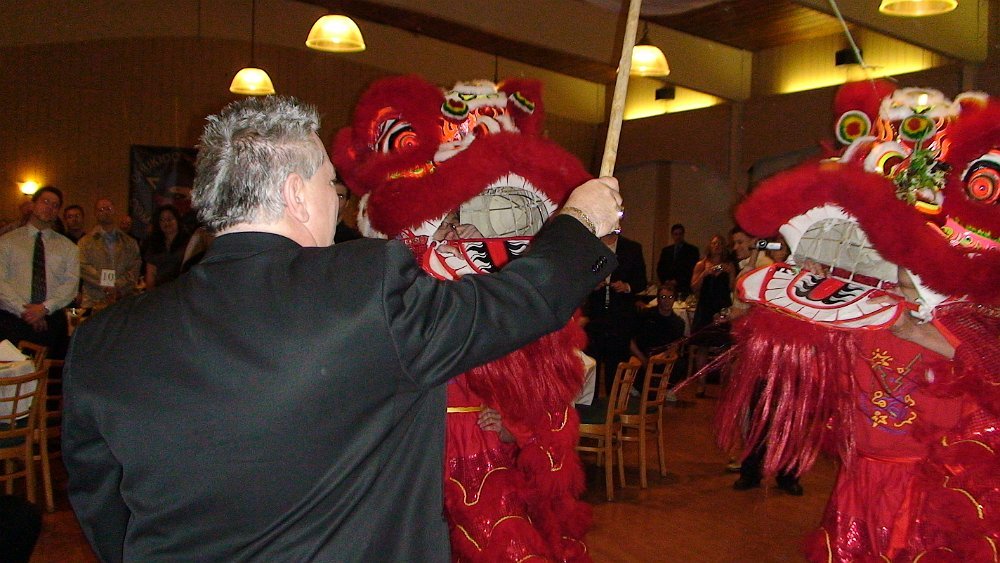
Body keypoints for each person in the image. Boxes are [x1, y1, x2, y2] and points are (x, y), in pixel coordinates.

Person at [62, 95, 622, 562]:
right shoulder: (364, 289)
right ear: (295, 194)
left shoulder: (101, 341)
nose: (339, 200)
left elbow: (104, 510)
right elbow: (511, 304)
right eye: (332, 184)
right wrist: (581, 222)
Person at [0, 186, 79, 358]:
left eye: (55, 205)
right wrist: (26, 311)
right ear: (33, 204)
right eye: (45, 202)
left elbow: (70, 285)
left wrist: (44, 308)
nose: (49, 207)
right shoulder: (7, 242)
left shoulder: (68, 247)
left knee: (49, 372)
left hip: (52, 320)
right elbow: (1, 282)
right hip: (13, 318)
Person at [583, 230, 647, 395]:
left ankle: (614, 406)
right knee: (592, 366)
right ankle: (591, 405)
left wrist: (627, 286)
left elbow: (641, 281)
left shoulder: (632, 248)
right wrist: (591, 285)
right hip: (595, 317)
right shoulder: (590, 247)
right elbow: (580, 279)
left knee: (616, 367)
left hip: (620, 318)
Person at [77, 198, 141, 308]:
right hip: (94, 300)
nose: (105, 212)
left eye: (108, 208)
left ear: (114, 211)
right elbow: (83, 268)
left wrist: (117, 286)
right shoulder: (85, 242)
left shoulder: (129, 242)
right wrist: (108, 285)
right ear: (95, 213)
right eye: (101, 209)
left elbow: (134, 268)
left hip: (122, 299)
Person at [141, 204, 189, 289]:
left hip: (182, 289)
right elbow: (150, 273)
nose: (166, 223)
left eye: (169, 219)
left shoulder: (188, 242)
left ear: (177, 220)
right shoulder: (154, 243)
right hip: (160, 290)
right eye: (162, 220)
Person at [656, 223, 699, 298]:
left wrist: (678, 281)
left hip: (684, 287)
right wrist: (665, 280)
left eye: (680, 234)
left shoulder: (692, 250)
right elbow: (660, 268)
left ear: (683, 234)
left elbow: (692, 269)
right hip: (667, 287)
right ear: (672, 235)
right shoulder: (666, 251)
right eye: (676, 234)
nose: (678, 236)